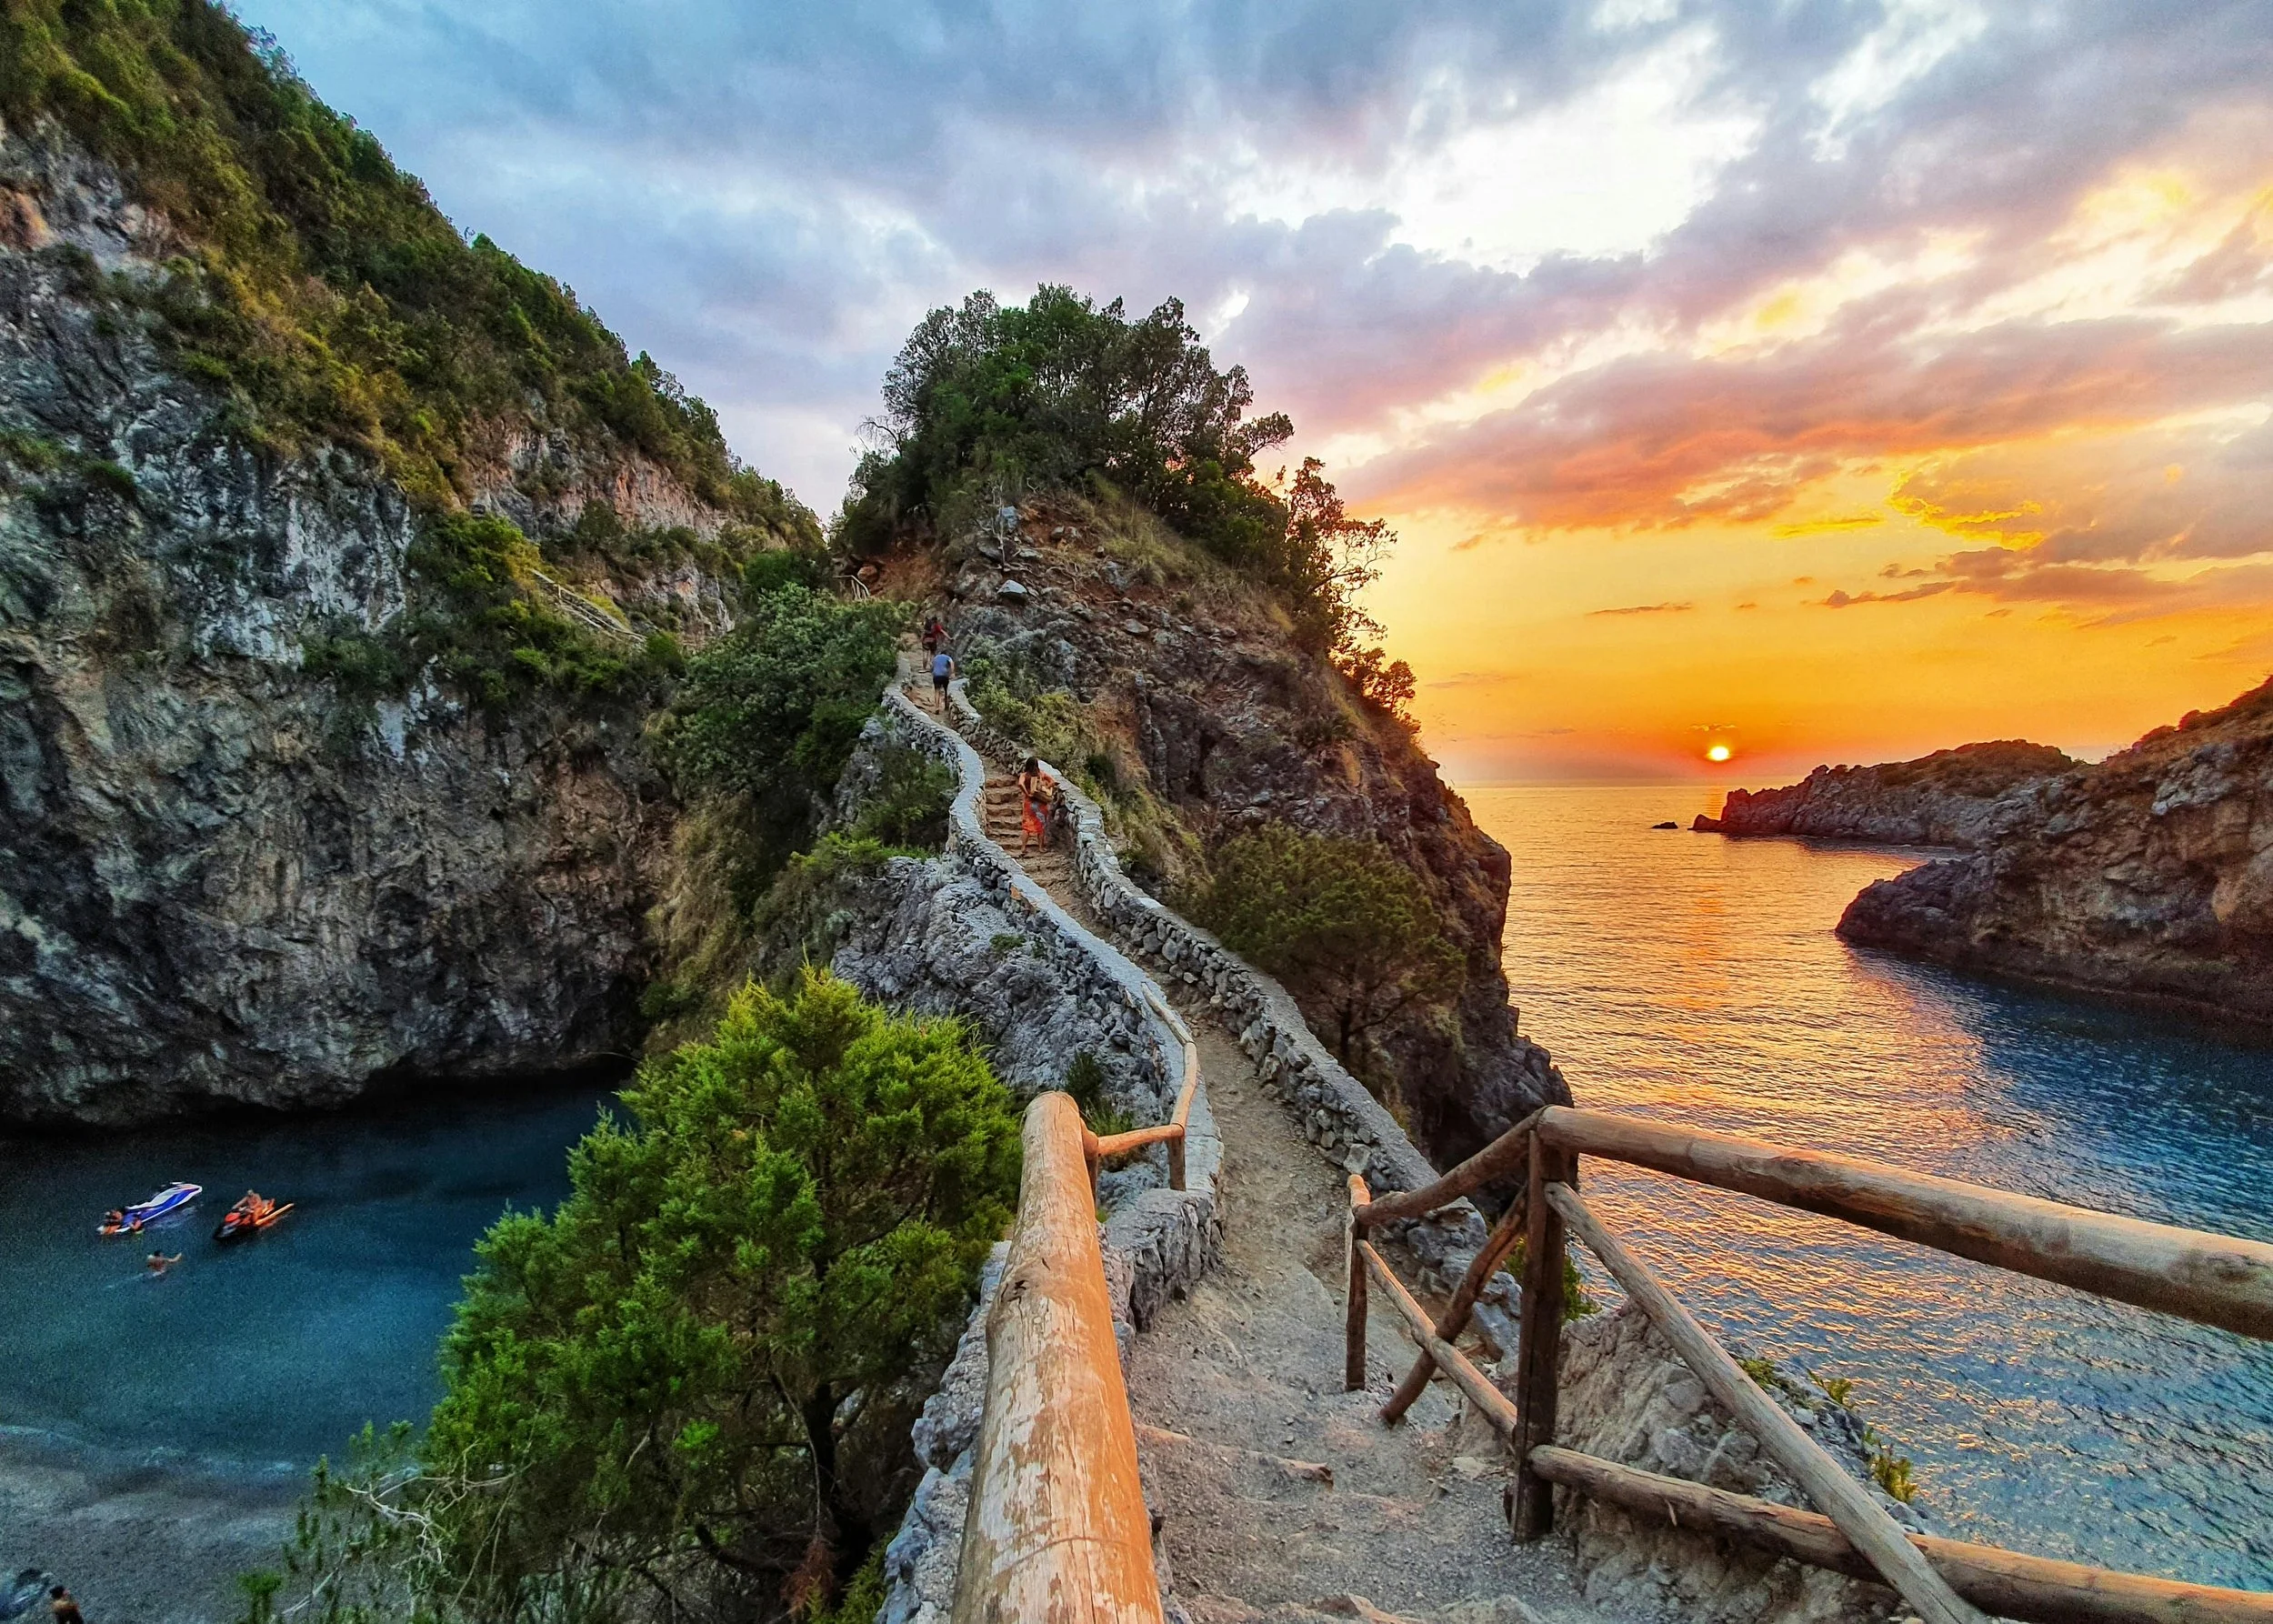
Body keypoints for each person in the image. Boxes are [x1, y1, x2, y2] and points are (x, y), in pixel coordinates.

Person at [1016, 757, 1047, 855]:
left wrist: (1027, 793)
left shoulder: (1024, 775)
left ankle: (1023, 847)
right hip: (1040, 803)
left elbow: (1020, 784)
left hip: (1029, 802)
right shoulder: (1041, 774)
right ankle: (1041, 848)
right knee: (1041, 826)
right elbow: (1053, 781)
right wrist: (1048, 789)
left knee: (1027, 826)